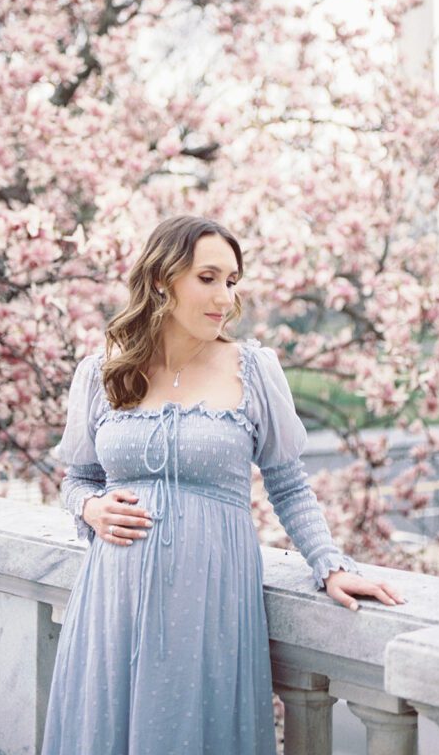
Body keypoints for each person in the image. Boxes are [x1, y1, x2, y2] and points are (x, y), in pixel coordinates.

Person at [41, 215, 404, 755]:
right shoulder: (102, 372)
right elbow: (78, 479)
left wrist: (328, 564)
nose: (225, 297)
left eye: (231, 281)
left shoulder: (254, 369)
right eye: (208, 278)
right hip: (112, 599)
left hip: (210, 601)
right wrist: (90, 508)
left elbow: (288, 482)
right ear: (163, 280)